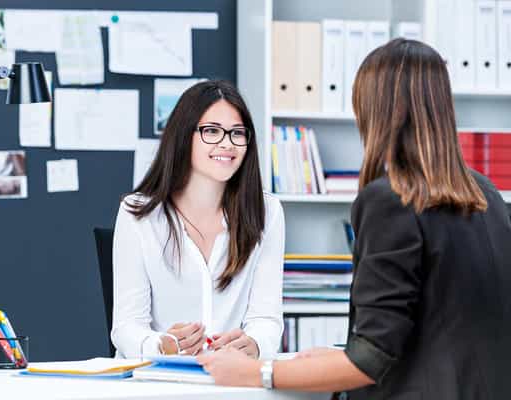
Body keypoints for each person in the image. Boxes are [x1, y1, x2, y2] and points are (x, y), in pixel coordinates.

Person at [198, 39, 511, 399]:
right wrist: (336, 359)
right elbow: (434, 330)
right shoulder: (484, 193)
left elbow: (372, 357)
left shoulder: (391, 199)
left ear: (374, 110)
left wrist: (258, 372)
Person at [111, 80, 285, 360]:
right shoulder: (137, 213)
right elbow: (126, 327)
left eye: (237, 133)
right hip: (158, 382)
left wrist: (254, 343)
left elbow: (267, 319)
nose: (227, 144)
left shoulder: (267, 211)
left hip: (230, 380)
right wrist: (162, 345)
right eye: (212, 131)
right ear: (184, 136)